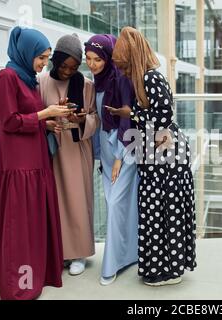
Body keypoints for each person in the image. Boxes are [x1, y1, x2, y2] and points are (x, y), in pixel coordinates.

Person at [109, 26, 197, 286]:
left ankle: (168, 271)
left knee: (161, 210)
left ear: (133, 59)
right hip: (157, 156)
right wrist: (131, 114)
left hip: (164, 158)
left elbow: (164, 117)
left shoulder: (150, 79)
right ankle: (164, 267)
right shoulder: (146, 79)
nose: (123, 72)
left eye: (125, 66)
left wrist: (134, 115)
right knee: (158, 210)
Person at [0, 26, 71, 300]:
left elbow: (26, 118)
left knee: (34, 224)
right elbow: (9, 121)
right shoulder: (8, 77)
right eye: (41, 57)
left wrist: (48, 123)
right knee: (21, 229)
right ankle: (21, 285)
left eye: (46, 57)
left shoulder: (27, 79)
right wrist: (44, 113)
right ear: (26, 52)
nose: (43, 63)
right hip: (19, 166)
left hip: (35, 161)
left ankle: (38, 274)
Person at [37, 34, 98, 276]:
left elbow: (95, 117)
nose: (68, 72)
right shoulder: (42, 82)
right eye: (64, 66)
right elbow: (37, 113)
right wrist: (50, 120)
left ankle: (79, 253)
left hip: (77, 146)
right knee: (56, 200)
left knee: (77, 199)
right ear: (56, 61)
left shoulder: (85, 85)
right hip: (52, 147)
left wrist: (81, 119)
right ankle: (60, 252)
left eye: (73, 68)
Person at [84, 34, 139, 285]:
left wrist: (119, 156)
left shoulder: (122, 79)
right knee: (116, 203)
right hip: (107, 151)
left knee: (116, 203)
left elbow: (128, 119)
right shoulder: (96, 82)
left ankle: (111, 264)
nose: (92, 64)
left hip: (124, 149)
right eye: (88, 59)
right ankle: (129, 254)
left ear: (108, 58)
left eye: (97, 59)